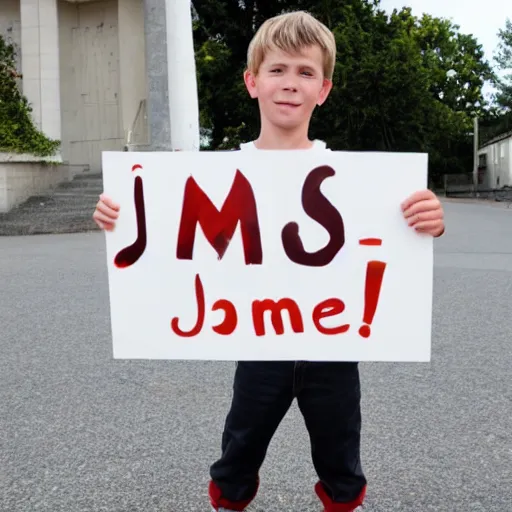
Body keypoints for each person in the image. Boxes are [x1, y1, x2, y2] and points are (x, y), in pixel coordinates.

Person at [93, 10, 445, 512]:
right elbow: (158, 232)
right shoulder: (216, 172)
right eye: (277, 70)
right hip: (259, 342)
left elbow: (403, 236)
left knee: (341, 455)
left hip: (334, 346)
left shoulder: (357, 180)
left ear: (323, 89)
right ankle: (229, 501)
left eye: (305, 73)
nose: (290, 84)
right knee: (239, 450)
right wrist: (120, 218)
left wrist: (429, 220)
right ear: (252, 81)